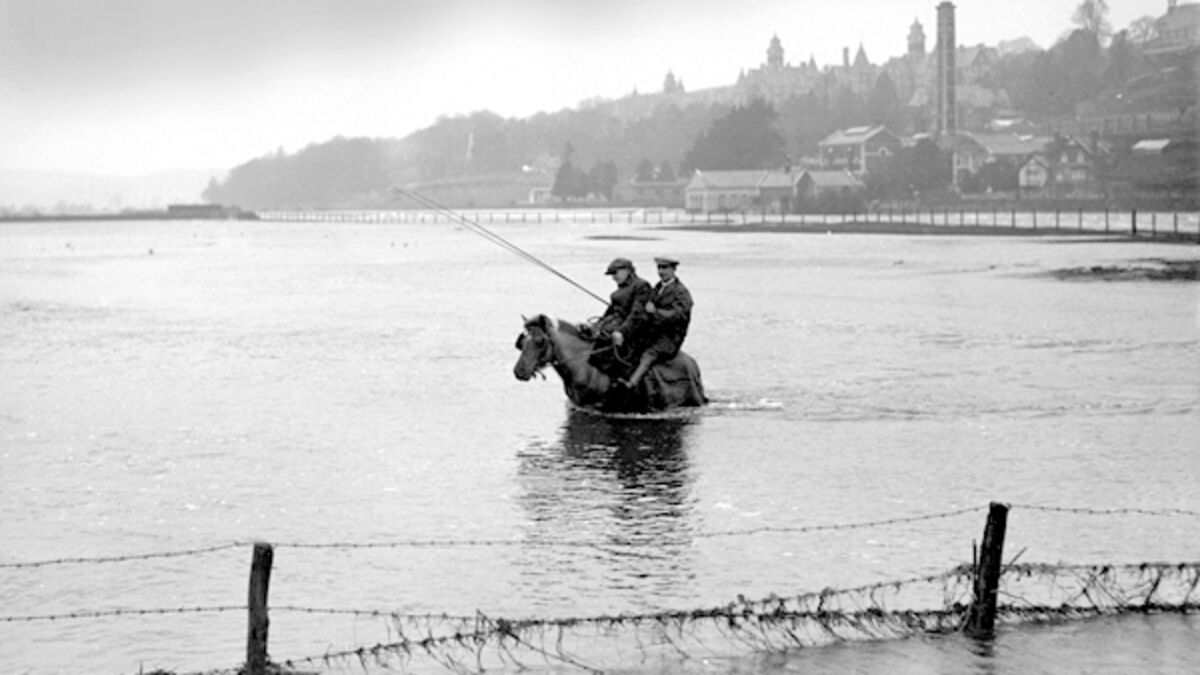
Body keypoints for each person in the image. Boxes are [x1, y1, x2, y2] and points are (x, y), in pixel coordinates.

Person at [621, 256, 692, 389]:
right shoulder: (658, 288)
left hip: (670, 338)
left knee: (649, 354)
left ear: (673, 269)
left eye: (665, 268)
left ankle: (631, 384)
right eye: (659, 268)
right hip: (653, 334)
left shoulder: (681, 292)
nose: (661, 272)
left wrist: (655, 312)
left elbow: (678, 315)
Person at [588, 257, 652, 374]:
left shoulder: (641, 286)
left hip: (633, 331)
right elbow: (609, 312)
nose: (613, 277)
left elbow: (637, 315)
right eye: (611, 274)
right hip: (614, 325)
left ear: (627, 271)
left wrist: (621, 332)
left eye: (615, 273)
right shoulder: (619, 290)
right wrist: (596, 326)